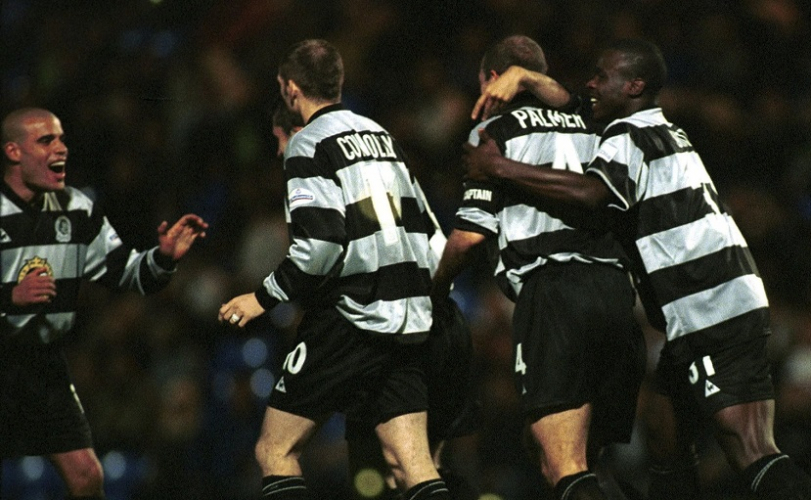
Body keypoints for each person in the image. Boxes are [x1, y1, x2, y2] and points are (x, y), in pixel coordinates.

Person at [462, 38, 811, 500]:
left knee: (749, 447)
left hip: (711, 304)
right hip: (715, 301)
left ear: (634, 86)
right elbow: (571, 105)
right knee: (666, 436)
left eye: (601, 76)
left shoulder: (630, 136)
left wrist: (500, 167)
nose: (590, 84)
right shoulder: (658, 129)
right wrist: (526, 76)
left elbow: (592, 193)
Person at [218, 39, 453, 500]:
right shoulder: (381, 135)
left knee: (274, 450)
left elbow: (321, 246)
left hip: (351, 318)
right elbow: (433, 238)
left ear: (290, 89)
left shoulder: (308, 143)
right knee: (415, 465)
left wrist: (262, 297)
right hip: (406, 320)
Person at [431, 35, 646, 500]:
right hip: (615, 294)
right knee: (589, 461)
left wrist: (434, 289)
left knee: (563, 465)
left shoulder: (494, 132)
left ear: (494, 80)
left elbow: (470, 236)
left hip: (554, 295)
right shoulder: (593, 120)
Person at [269, 101, 480, 500]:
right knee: (420, 467)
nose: (281, 155)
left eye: (279, 143)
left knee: (374, 472)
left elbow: (321, 256)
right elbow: (437, 247)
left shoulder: (315, 171)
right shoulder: (386, 161)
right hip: (438, 319)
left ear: (298, 133)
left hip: (381, 325)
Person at [0, 107, 208, 499]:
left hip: (42, 363)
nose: (61, 148)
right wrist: (10, 296)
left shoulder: (77, 209)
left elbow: (129, 272)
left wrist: (163, 258)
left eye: (62, 139)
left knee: (86, 477)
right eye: (46, 140)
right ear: (13, 151)